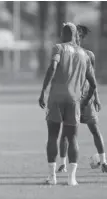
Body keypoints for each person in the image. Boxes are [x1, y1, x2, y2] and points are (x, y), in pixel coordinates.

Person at [38, 22, 97, 186]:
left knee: (52, 136)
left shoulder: (59, 48)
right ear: (74, 35)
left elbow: (52, 67)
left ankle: (52, 177)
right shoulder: (84, 54)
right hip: (74, 101)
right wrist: (85, 100)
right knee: (73, 139)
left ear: (63, 34)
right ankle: (72, 179)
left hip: (56, 98)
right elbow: (93, 84)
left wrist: (44, 90)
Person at [57, 25, 107, 173]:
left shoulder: (89, 55)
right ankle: (63, 163)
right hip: (72, 99)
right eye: (74, 34)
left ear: (81, 37)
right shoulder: (66, 53)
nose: (75, 37)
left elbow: (92, 78)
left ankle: (103, 162)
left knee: (95, 130)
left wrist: (96, 97)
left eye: (78, 35)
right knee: (67, 133)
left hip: (87, 99)